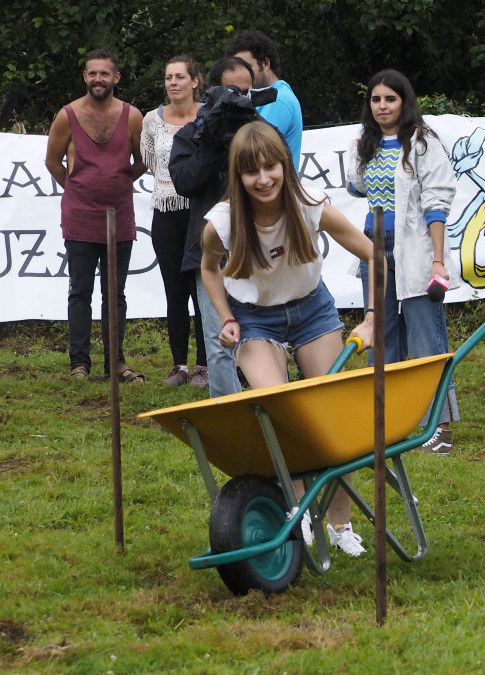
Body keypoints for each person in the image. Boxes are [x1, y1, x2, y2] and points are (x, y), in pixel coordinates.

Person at [200, 121, 379, 556]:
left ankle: (340, 524)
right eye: (251, 172)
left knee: (333, 417)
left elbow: (375, 255)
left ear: (285, 165)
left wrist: (373, 315)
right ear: (237, 177)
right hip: (255, 319)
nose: (263, 179)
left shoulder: (308, 205)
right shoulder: (221, 223)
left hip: (311, 311)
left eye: (271, 167)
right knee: (278, 409)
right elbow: (208, 268)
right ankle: (299, 516)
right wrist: (226, 317)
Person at [346, 69, 460, 455]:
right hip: (373, 247)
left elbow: (437, 202)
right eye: (375, 99)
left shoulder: (423, 142)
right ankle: (387, 426)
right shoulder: (364, 143)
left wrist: (438, 259)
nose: (382, 106)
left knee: (425, 334)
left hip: (416, 247)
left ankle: (437, 428)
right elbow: (355, 185)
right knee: (380, 333)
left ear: (404, 101)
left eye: (389, 99)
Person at [45, 48, 146, 382]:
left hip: (120, 216)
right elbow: (52, 161)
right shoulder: (67, 115)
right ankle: (79, 364)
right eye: (92, 73)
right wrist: (76, 188)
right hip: (80, 218)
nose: (98, 79)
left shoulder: (132, 116)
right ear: (85, 77)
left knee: (114, 294)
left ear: (116, 77)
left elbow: (143, 160)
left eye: (104, 73)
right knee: (80, 291)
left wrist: (119, 182)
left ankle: (115, 363)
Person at [168, 56, 255, 397]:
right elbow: (184, 183)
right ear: (211, 92)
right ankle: (229, 416)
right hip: (209, 252)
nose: (239, 100)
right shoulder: (193, 135)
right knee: (218, 340)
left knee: (266, 336)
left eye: (246, 92)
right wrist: (211, 138)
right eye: (232, 92)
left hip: (258, 248)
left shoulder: (259, 131)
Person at [140, 55, 208, 387]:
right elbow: (152, 161)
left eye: (180, 76)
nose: (173, 83)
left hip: (200, 211)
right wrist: (171, 187)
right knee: (174, 290)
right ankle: (179, 365)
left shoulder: (208, 115)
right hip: (166, 210)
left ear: (195, 81)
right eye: (168, 77)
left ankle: (204, 365)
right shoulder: (152, 119)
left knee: (203, 289)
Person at [223, 30, 303, 168]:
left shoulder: (278, 99)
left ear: (266, 64)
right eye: (237, 68)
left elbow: (252, 149)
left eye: (247, 67)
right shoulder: (262, 96)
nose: (242, 74)